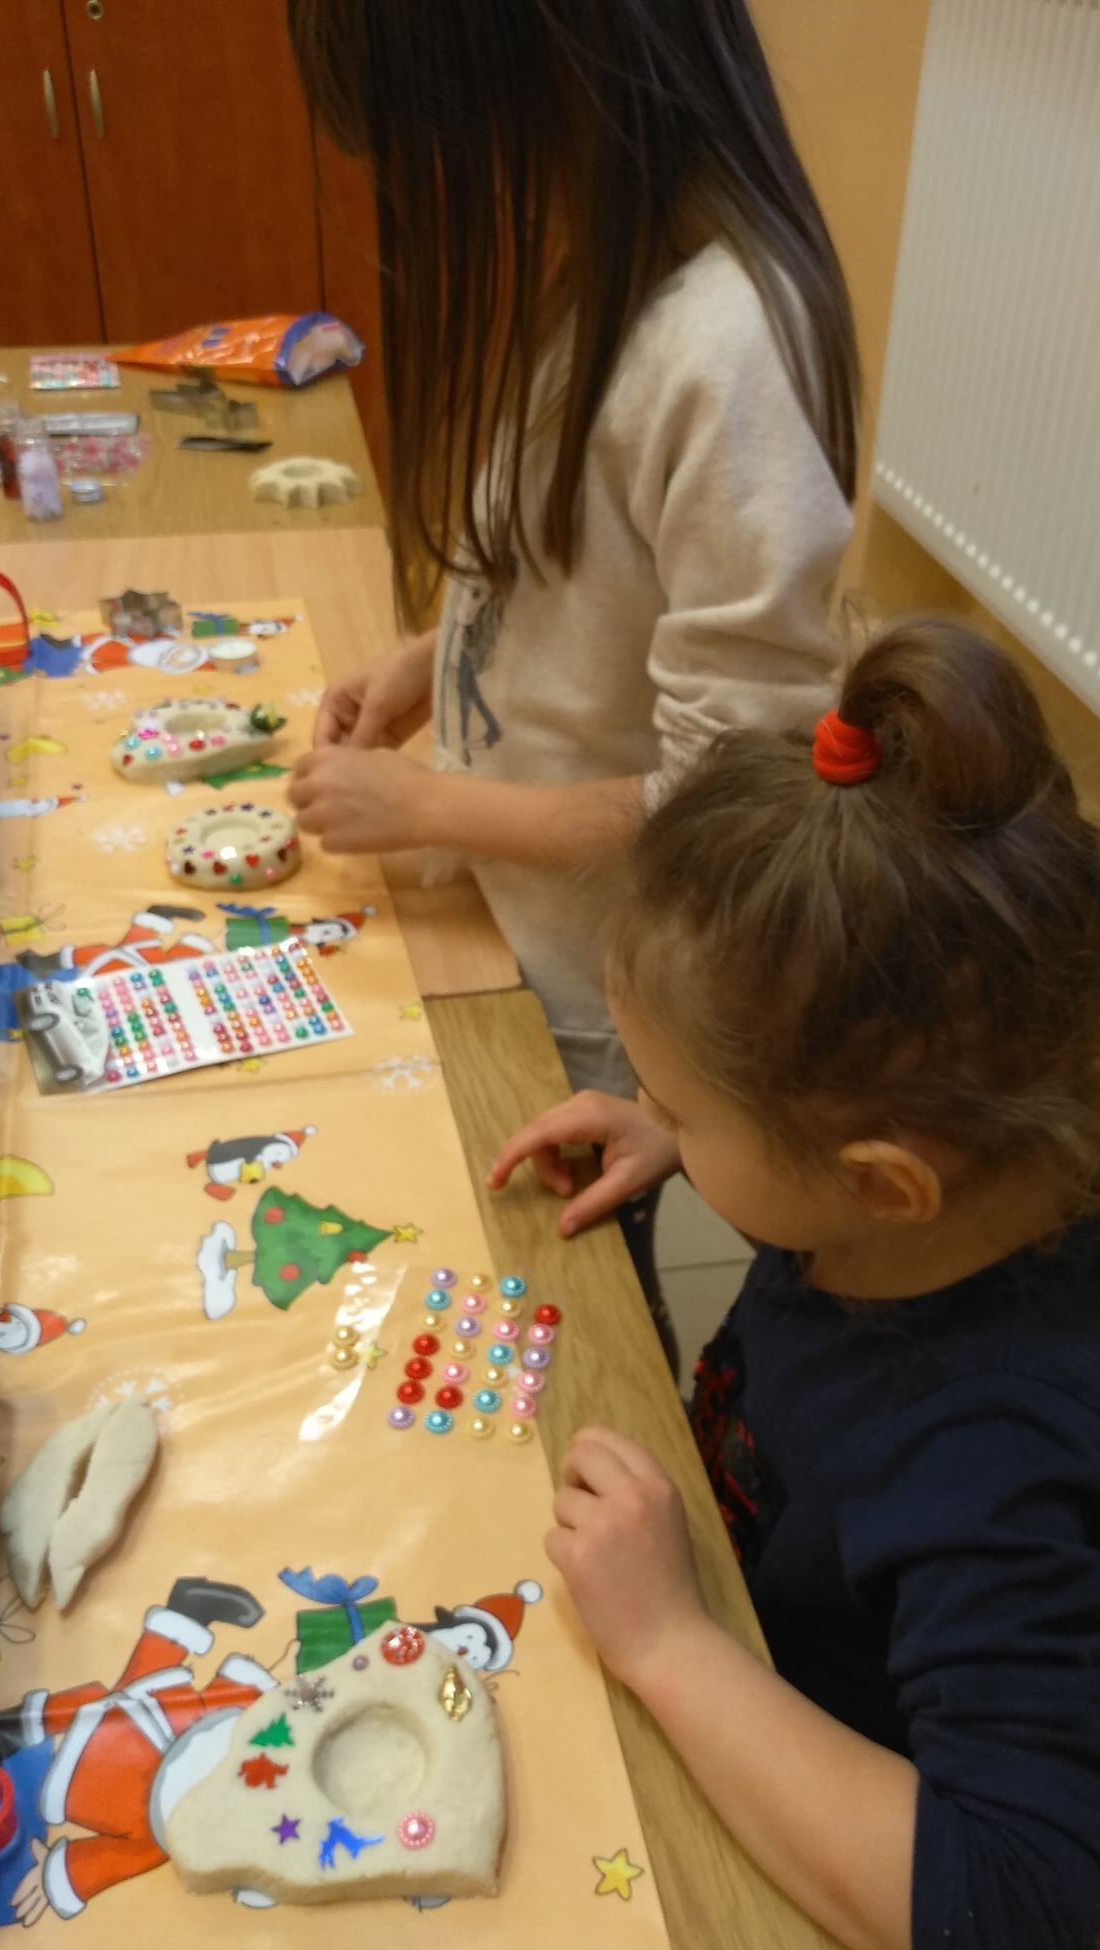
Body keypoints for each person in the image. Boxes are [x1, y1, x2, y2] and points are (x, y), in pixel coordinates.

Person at [488, 620, 1100, 1950]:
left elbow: (1015, 1929)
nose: (660, 1125)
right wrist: (683, 1139)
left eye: (684, 1108)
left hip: (822, 1926)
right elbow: (825, 1152)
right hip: (743, 1637)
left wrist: (673, 1645)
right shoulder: (978, 1177)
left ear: (881, 1182)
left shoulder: (996, 1459)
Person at [284, 0, 861, 1354]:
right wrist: (434, 660)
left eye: (453, 140)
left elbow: (731, 799)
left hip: (600, 1007)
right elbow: (571, 562)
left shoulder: (731, 347)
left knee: (578, 1338)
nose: (472, 189)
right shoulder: (605, 272)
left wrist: (430, 806)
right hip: (506, 935)